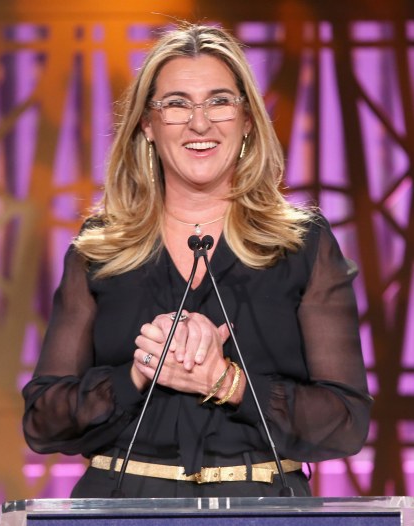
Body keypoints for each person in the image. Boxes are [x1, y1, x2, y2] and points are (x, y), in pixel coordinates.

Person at [22, 23, 372, 498]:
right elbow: (44, 421)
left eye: (219, 101)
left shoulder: (301, 245)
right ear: (147, 124)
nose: (200, 123)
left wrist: (226, 381)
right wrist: (138, 372)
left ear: (247, 119)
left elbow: (345, 423)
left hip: (257, 507)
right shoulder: (100, 248)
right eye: (177, 103)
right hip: (123, 506)